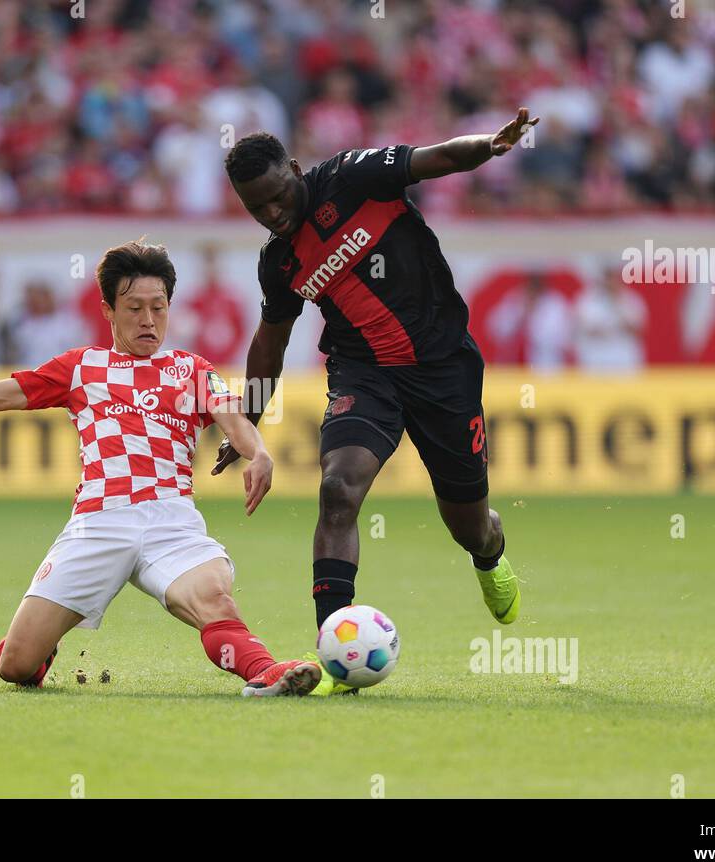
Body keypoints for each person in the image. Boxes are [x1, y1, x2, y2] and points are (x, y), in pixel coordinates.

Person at [0, 240, 321, 698]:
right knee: (15, 665)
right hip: (98, 522)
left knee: (214, 600)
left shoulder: (190, 369)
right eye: (135, 308)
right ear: (108, 310)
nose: (149, 320)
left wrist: (257, 452)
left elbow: (234, 416)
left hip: (171, 521)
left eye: (159, 307)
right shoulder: (81, 368)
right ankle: (40, 646)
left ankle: (269, 671)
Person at [220, 111, 539, 694]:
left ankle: (490, 554)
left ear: (295, 170)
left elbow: (435, 157)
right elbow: (271, 341)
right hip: (364, 376)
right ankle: (331, 655)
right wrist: (249, 419)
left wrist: (488, 146)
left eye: (276, 196)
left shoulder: (352, 177)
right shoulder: (279, 263)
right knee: (337, 489)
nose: (271, 213)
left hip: (444, 368)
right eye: (255, 208)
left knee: (469, 524)